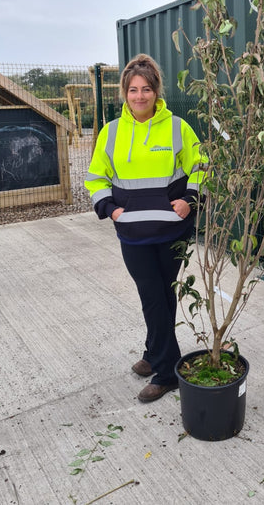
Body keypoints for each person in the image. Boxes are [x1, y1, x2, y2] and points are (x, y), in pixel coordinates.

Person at [85, 54, 205, 402]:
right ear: (124, 93)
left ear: (156, 92)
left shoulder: (177, 127)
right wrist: (110, 209)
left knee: (160, 296)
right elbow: (95, 177)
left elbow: (201, 165)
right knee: (153, 296)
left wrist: (190, 200)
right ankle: (159, 357)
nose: (140, 96)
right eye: (133, 90)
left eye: (147, 89)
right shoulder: (112, 132)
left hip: (172, 231)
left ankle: (165, 369)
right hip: (133, 234)